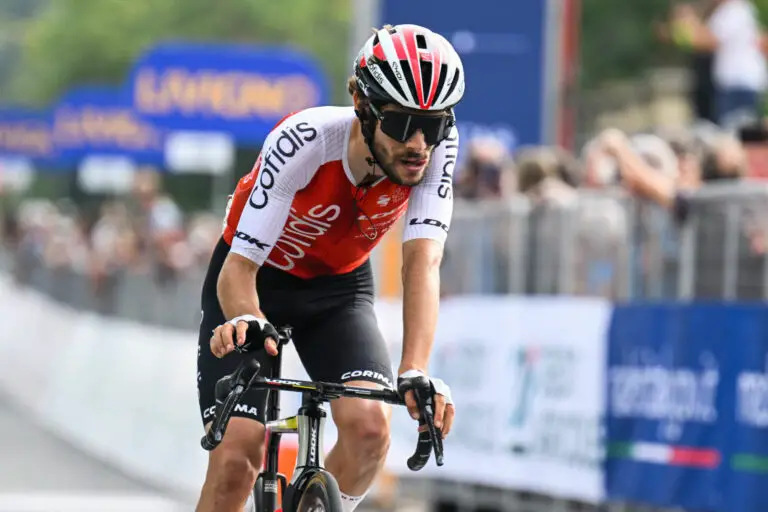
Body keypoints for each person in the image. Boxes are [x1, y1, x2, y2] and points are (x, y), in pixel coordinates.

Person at [195, 24, 464, 512]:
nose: (419, 144)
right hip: (257, 284)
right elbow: (238, 268)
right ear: (362, 105)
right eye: (402, 123)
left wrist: (415, 368)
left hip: (338, 291)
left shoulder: (436, 148)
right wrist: (246, 318)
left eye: (435, 124)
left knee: (370, 431)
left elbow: (423, 261)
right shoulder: (305, 140)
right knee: (236, 460)